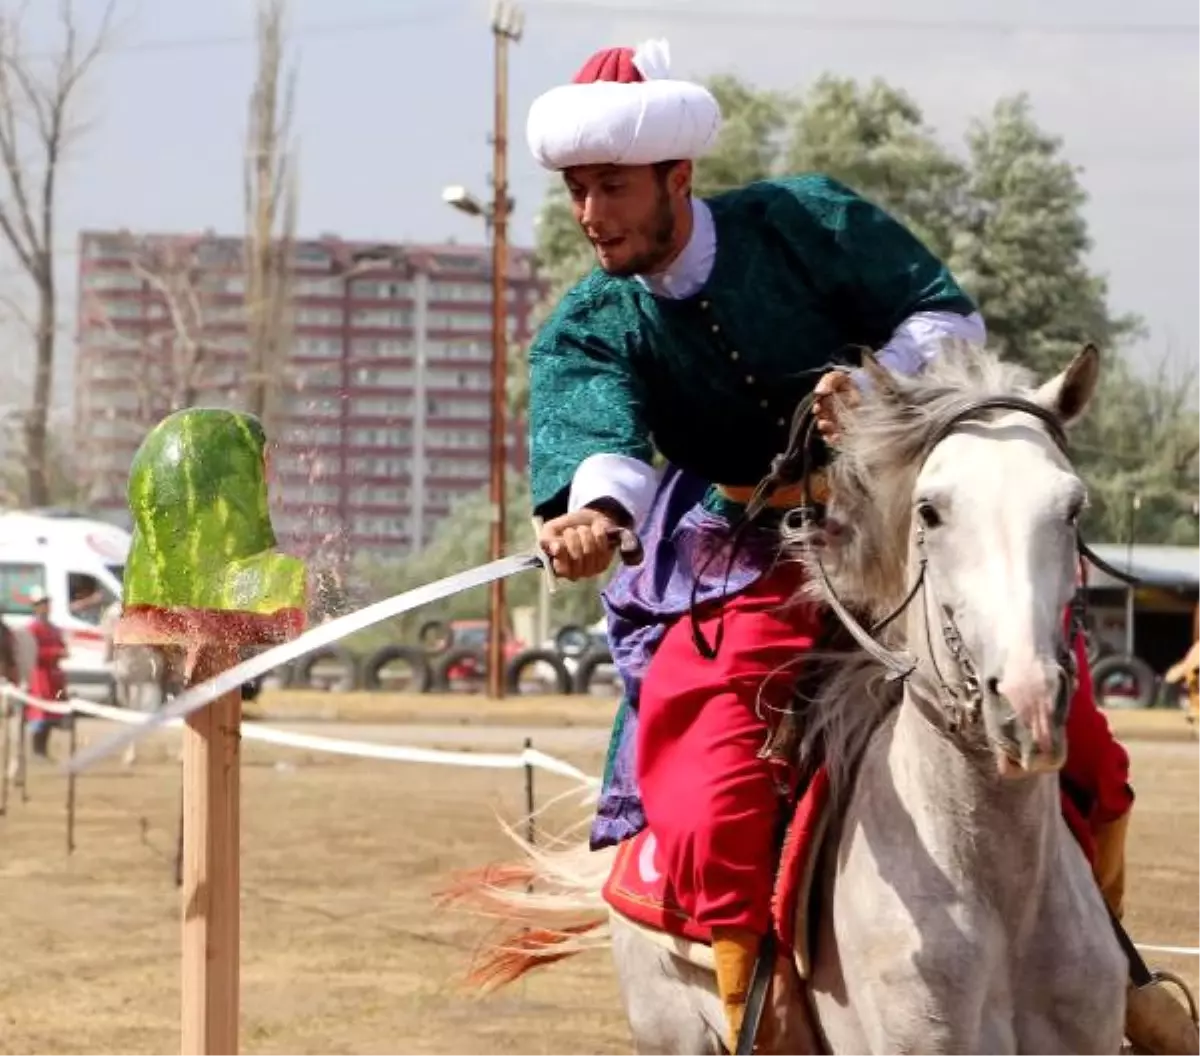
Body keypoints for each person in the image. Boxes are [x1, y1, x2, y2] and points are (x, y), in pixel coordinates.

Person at [524, 38, 1197, 1055]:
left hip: (889, 524)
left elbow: (943, 313)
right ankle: (757, 1009)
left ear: (677, 176)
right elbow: (600, 440)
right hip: (750, 554)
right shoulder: (588, 319)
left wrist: (876, 385)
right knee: (714, 792)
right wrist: (595, 520)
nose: (591, 215)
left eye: (610, 187)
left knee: (1084, 741)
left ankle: (1121, 972)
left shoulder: (804, 219)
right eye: (578, 191)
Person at [24, 586, 68, 760]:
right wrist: (55, 652)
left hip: (53, 677)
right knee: (39, 714)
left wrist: (61, 651)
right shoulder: (32, 629)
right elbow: (32, 653)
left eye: (46, 603)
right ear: (36, 607)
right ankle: (37, 750)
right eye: (41, 604)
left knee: (51, 714)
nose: (45, 607)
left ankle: (43, 750)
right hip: (39, 677)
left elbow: (61, 645)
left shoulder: (54, 628)